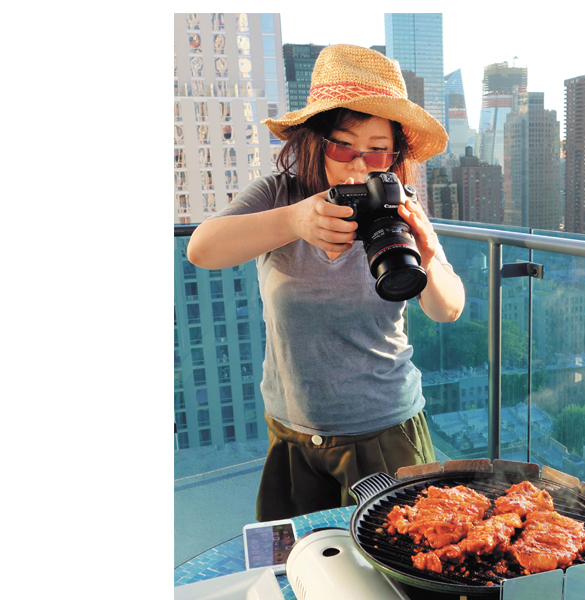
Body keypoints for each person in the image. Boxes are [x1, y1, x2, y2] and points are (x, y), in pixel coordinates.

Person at [187, 45, 465, 521]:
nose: (361, 163)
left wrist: (429, 255)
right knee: (294, 570)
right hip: (293, 438)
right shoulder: (279, 194)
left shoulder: (400, 203)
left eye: (378, 148)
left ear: (395, 152)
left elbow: (447, 308)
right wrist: (296, 220)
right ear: (317, 142)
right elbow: (203, 249)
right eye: (343, 145)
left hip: (388, 432)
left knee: (397, 577)